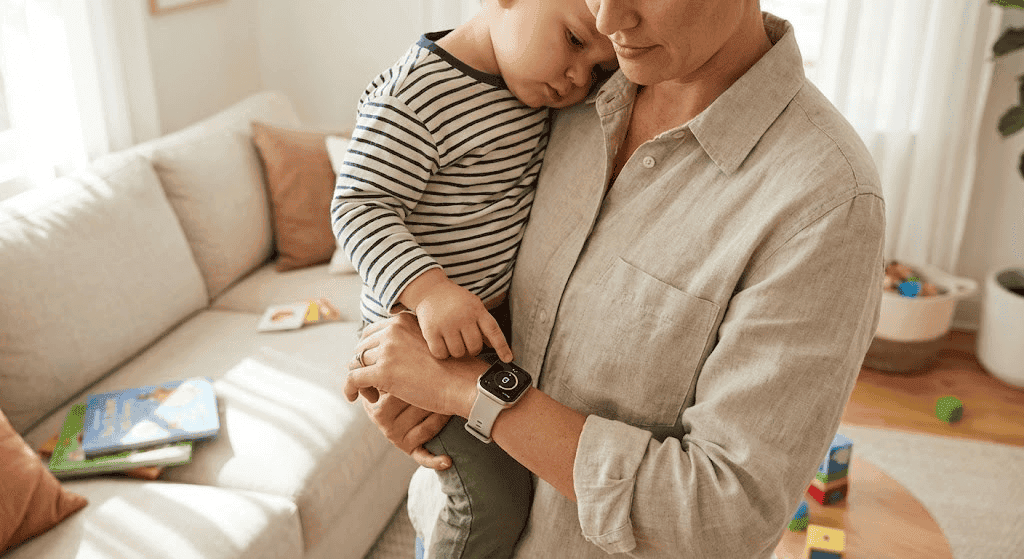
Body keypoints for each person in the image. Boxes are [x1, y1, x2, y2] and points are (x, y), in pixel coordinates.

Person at [344, 0, 886, 557]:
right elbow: (418, 217)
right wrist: (399, 367)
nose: (605, 20)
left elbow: (728, 514)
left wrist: (470, 392)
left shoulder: (826, 204)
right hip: (445, 521)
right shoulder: (555, 93)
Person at [330, 0, 616, 557]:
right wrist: (429, 290)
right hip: (424, 340)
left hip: (487, 336)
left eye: (600, 69)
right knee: (490, 502)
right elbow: (357, 204)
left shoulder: (526, 86)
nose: (580, 77)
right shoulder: (416, 95)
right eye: (576, 42)